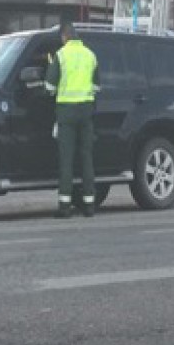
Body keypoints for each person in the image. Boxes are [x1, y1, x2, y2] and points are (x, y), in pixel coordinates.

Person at [45, 23, 100, 218]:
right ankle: (89, 205)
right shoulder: (90, 55)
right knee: (86, 158)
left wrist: (53, 88)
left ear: (64, 37)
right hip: (86, 111)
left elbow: (50, 87)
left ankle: (65, 206)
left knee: (66, 159)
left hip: (66, 112)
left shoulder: (60, 56)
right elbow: (96, 86)